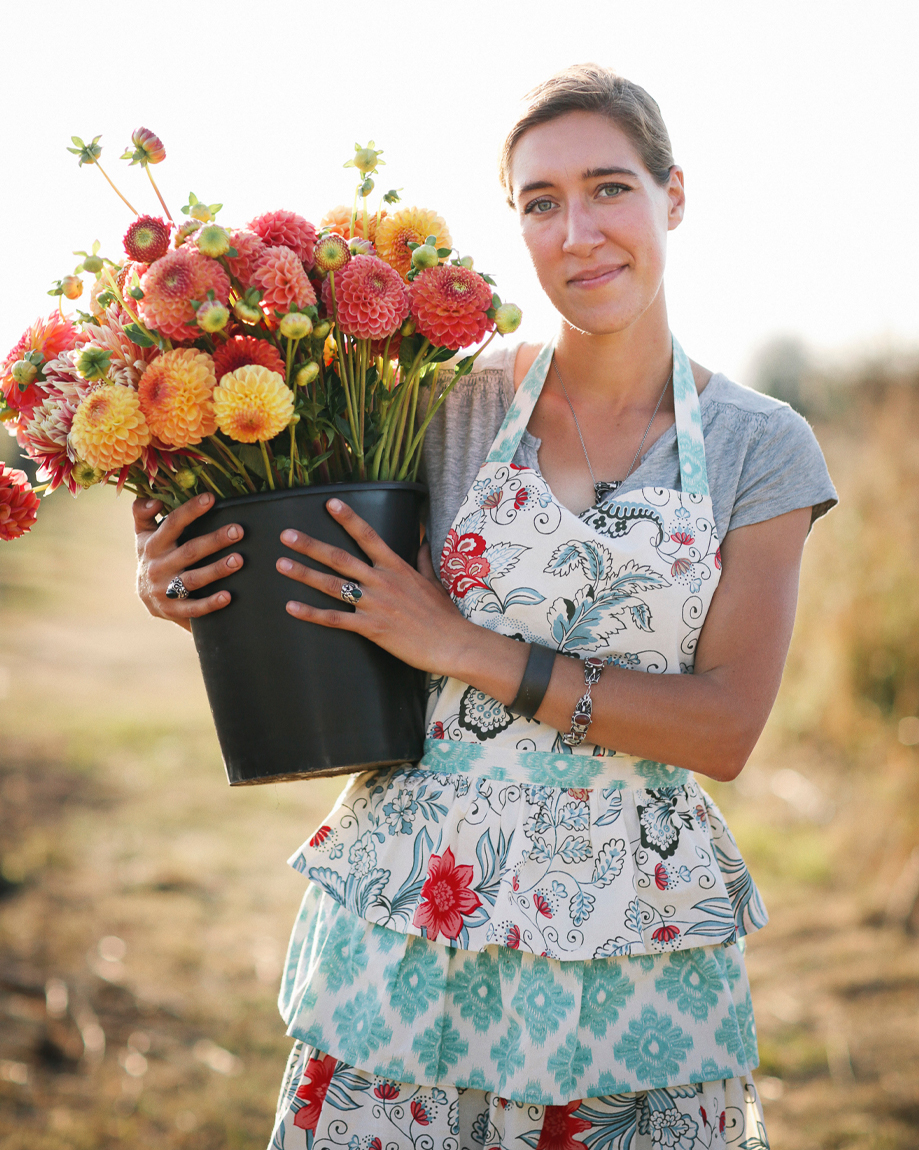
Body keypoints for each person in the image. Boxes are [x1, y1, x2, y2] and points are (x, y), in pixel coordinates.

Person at [134, 64, 837, 1150]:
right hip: (418, 909)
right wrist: (191, 579)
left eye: (608, 188)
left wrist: (463, 644)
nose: (578, 232)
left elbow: (725, 725)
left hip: (631, 930)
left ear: (674, 197)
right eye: (540, 202)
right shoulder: (444, 407)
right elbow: (317, 569)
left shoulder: (760, 445)